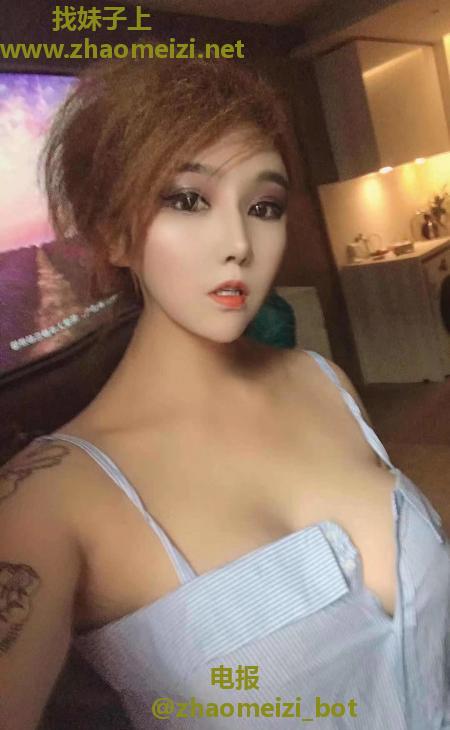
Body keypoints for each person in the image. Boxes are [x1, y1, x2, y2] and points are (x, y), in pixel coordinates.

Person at [0, 56, 448, 730]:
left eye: (264, 207)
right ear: (113, 232)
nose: (239, 243)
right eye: (188, 200)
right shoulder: (48, 500)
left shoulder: (323, 381)